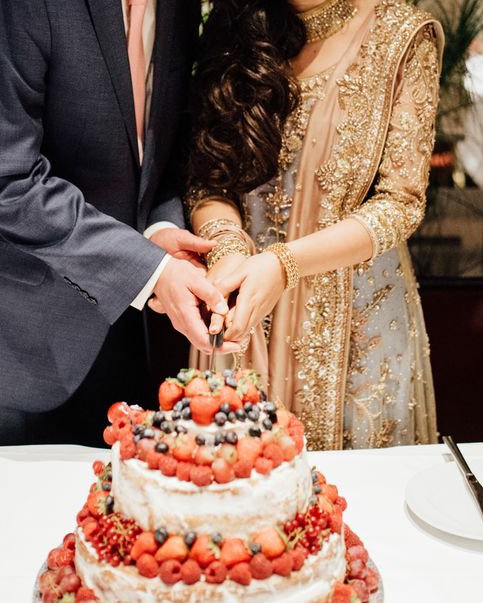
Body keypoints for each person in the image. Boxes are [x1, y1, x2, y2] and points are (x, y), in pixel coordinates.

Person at [0, 0, 235, 447]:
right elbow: (1, 180)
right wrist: (150, 269)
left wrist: (159, 233)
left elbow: (157, 146)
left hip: (113, 315)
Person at [185, 0, 443, 451]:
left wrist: (284, 264)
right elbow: (208, 180)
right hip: (243, 310)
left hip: (358, 327)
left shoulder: (402, 34)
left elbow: (400, 202)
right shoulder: (235, 27)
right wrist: (226, 247)